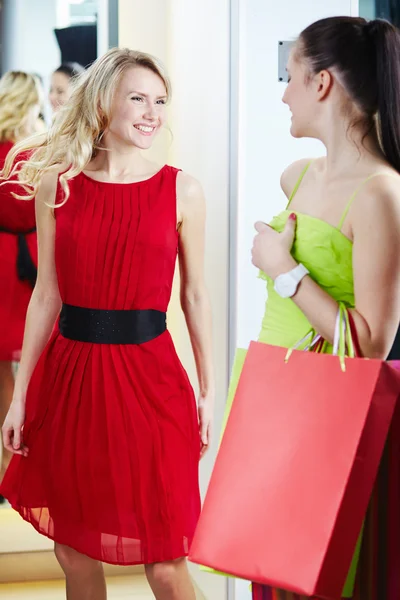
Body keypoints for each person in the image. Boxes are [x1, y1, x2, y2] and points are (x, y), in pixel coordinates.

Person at [0, 48, 214, 600]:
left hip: (152, 382)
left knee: (165, 563)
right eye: (137, 99)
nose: (151, 113)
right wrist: (20, 397)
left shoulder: (182, 189)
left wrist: (210, 392)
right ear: (102, 104)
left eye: (160, 101)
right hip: (70, 381)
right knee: (73, 552)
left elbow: (194, 295)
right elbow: (45, 296)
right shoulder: (58, 184)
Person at [236, 16, 400, 600]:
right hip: (275, 400)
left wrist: (284, 271)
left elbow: (372, 344)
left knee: (318, 576)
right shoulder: (297, 176)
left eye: (291, 77)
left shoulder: (380, 193)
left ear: (323, 83)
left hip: (328, 415)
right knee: (270, 569)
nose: (284, 93)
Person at [0, 71, 43, 501]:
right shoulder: (27, 156)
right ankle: (15, 467)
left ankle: (9, 465)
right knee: (25, 365)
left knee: (5, 370)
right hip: (20, 264)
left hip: (10, 262)